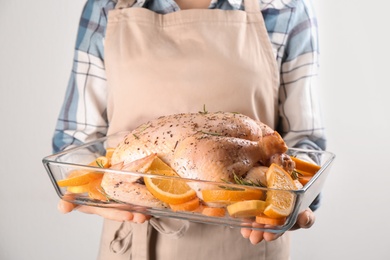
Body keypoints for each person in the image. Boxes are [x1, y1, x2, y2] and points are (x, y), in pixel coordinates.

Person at [53, 0, 326, 259]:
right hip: (133, 241)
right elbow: (74, 140)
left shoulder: (283, 7)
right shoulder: (107, 5)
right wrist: (92, 188)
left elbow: (306, 141)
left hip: (250, 240)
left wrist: (292, 202)